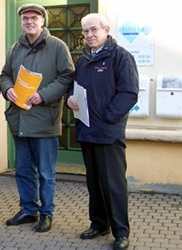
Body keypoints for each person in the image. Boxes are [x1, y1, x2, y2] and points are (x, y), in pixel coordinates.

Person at [66, 13, 139, 250]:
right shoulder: (84, 59)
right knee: (94, 183)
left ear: (106, 30)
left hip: (108, 133)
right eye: (85, 31)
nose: (89, 35)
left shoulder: (121, 57)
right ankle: (99, 224)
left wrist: (108, 118)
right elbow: (75, 86)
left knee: (113, 185)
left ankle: (121, 232)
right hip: (87, 131)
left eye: (93, 30)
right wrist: (70, 98)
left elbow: (128, 93)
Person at [0, 3, 74, 233]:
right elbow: (4, 75)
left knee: (45, 173)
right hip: (20, 120)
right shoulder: (15, 48)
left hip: (44, 120)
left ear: (43, 21)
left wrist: (43, 94)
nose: (29, 22)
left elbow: (67, 76)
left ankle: (47, 213)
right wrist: (8, 89)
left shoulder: (57, 47)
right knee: (23, 170)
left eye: (33, 18)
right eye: (25, 19)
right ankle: (28, 210)